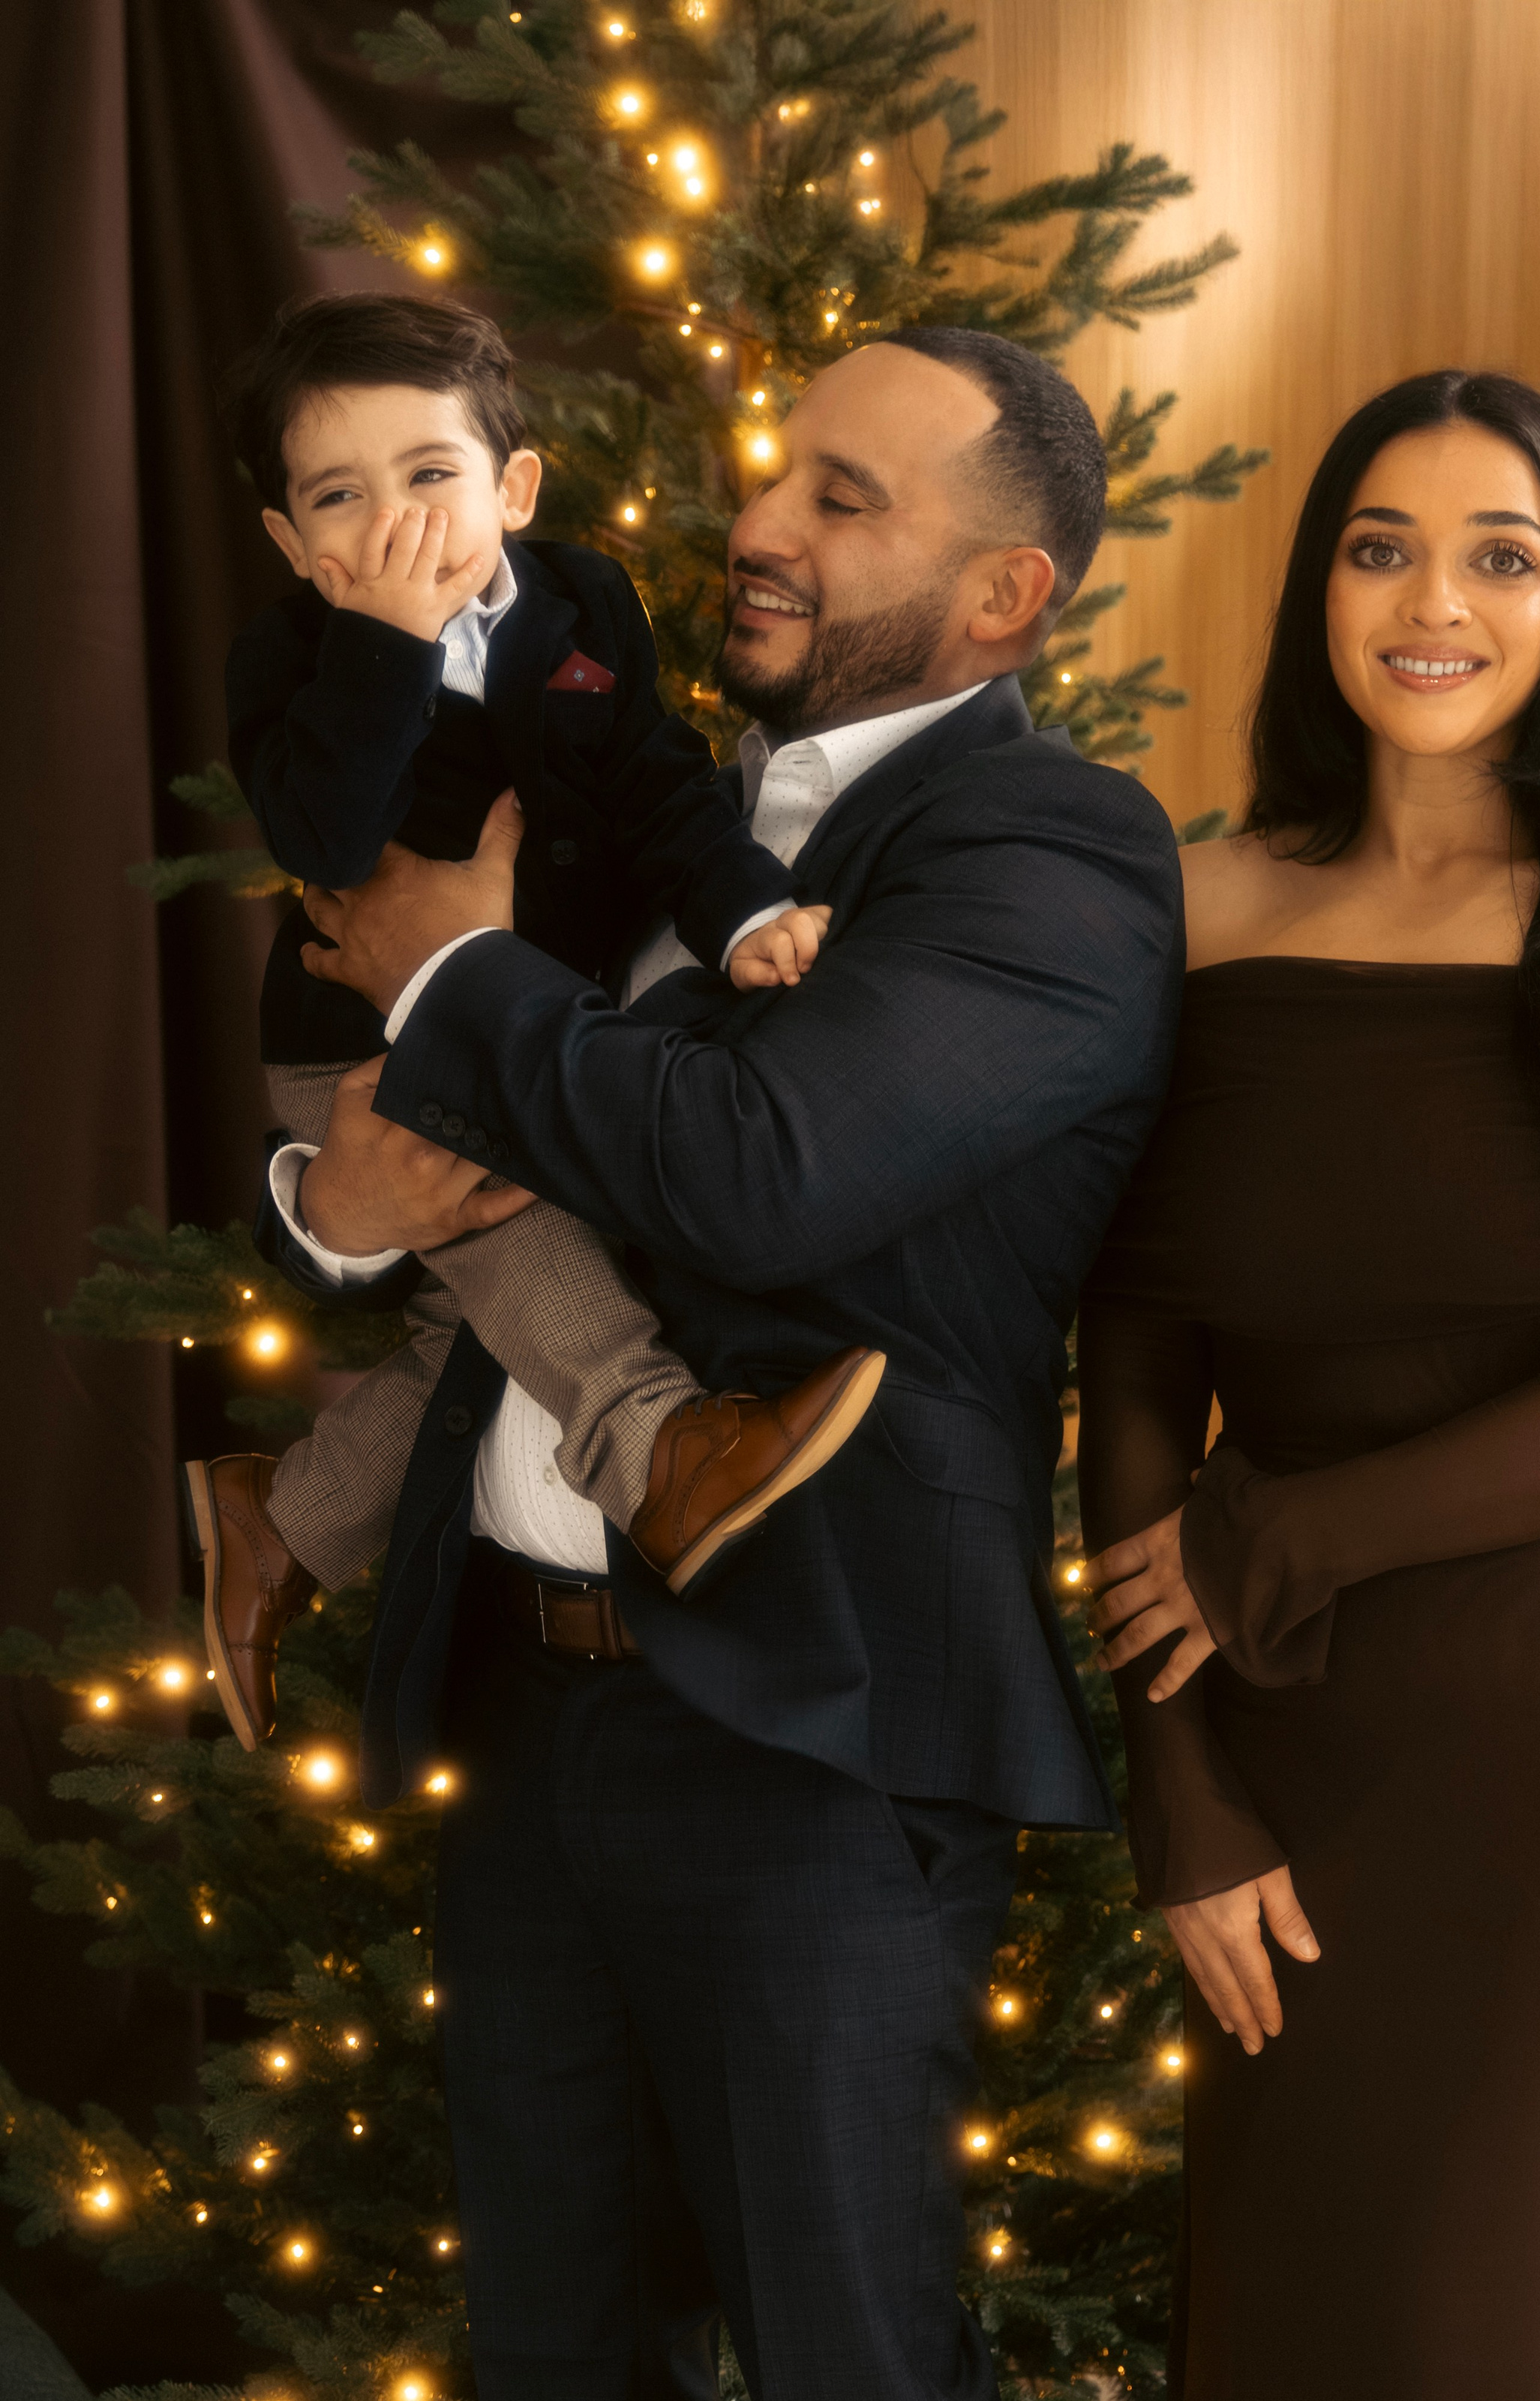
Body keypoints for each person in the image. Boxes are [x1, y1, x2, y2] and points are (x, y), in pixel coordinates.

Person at [258, 327, 1184, 2397]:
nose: (753, 525)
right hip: (523, 1713)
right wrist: (330, 1205)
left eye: (841, 501)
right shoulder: (627, 800)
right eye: (778, 473)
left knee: (845, 2363)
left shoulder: (1048, 855)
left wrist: (453, 968)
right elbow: (399, 1161)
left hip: (813, 1747)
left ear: (1005, 597)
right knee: (553, 2363)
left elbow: (766, 1178)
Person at [1077, 368, 1540, 2400]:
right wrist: (1184, 1787)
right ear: (1323, 587)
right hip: (1292, 1707)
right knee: (1304, 2296)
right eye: (1383, 546)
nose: (1439, 601)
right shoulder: (1199, 909)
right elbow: (1134, 1348)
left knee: (1509, 2309)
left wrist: (1282, 1539)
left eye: (1506, 556)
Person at [182, 291, 882, 1756]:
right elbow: (324, 824)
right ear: (292, 543)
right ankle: (664, 1444)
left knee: (479, 1313)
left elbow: (658, 784)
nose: (396, 521)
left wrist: (746, 911)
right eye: (340, 497)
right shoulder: (291, 660)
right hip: (362, 1045)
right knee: (509, 1240)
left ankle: (282, 1515)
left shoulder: (584, 607)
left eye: (430, 476)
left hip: (532, 1024)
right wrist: (383, 638)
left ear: (513, 487)